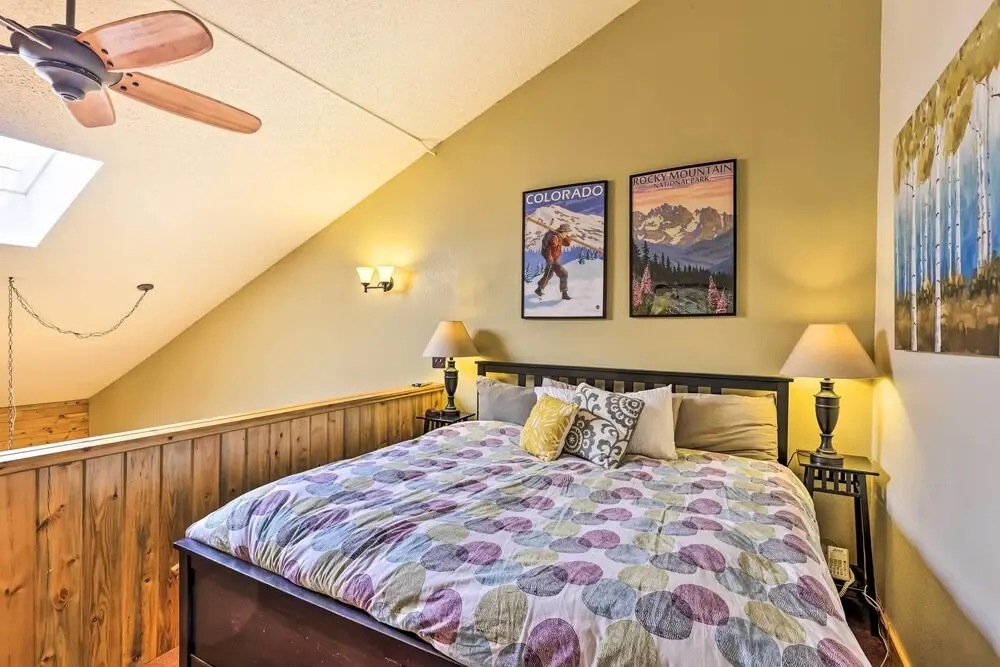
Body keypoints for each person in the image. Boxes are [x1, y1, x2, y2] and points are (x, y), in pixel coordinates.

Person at [535, 223, 573, 300]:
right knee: (564, 274)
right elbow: (549, 250)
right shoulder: (555, 238)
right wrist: (550, 260)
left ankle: (539, 289)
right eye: (566, 232)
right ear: (563, 231)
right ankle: (564, 294)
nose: (567, 234)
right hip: (552, 260)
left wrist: (568, 237)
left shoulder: (560, 237)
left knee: (549, 274)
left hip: (552, 259)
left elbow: (567, 244)